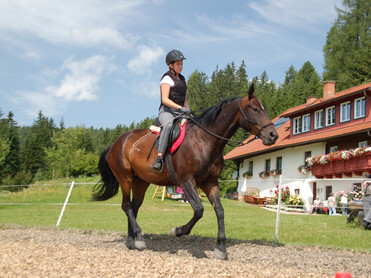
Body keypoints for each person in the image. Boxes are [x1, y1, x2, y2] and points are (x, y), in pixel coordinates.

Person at [151, 50, 191, 172]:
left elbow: (185, 101)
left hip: (180, 112)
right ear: (171, 65)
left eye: (182, 64)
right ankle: (159, 158)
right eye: (178, 64)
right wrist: (180, 108)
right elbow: (165, 99)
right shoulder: (166, 79)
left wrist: (189, 111)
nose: (181, 66)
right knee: (168, 125)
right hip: (167, 111)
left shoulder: (183, 79)